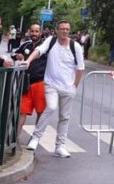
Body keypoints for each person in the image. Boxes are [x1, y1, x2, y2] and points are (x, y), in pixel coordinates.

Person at [23, 20, 85, 158]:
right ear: (56, 30)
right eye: (62, 29)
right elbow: (38, 51)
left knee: (65, 117)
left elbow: (80, 68)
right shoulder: (51, 41)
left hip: (68, 87)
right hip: (51, 84)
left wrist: (74, 86)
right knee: (50, 107)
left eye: (67, 29)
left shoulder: (76, 47)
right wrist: (28, 61)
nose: (64, 31)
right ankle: (35, 137)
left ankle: (60, 146)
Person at [13, 24, 47, 131]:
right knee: (22, 110)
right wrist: (17, 56)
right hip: (25, 82)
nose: (34, 34)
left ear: (40, 33)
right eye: (32, 31)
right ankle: (15, 137)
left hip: (40, 82)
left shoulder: (46, 46)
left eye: (36, 31)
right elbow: (14, 53)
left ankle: (36, 137)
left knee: (40, 111)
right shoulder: (26, 45)